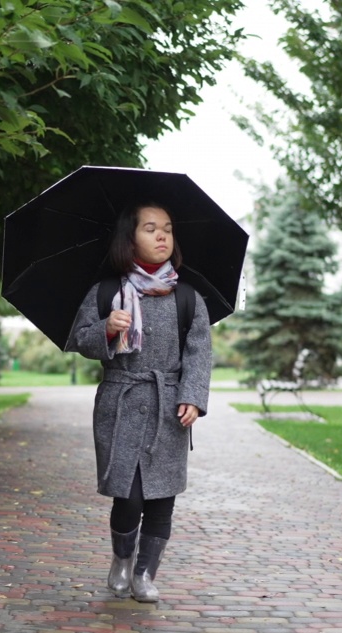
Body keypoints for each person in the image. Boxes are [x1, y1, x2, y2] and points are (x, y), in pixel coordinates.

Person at [65, 202, 212, 603]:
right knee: (127, 496)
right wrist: (106, 329)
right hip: (121, 402)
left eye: (167, 228)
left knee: (162, 497)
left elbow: (199, 353)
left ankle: (146, 575)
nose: (162, 236)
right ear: (129, 238)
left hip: (169, 407)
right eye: (150, 229)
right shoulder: (107, 292)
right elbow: (79, 339)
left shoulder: (187, 296)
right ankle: (122, 560)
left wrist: (194, 398)